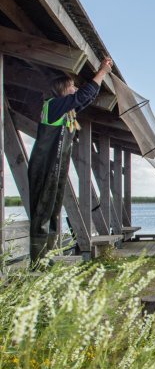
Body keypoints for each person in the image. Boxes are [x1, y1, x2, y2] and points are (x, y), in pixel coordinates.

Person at [28, 57, 114, 264]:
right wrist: (102, 71)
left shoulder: (65, 112)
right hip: (44, 167)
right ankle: (37, 264)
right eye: (71, 86)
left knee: (53, 213)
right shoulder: (54, 106)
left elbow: (85, 98)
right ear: (61, 90)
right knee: (42, 213)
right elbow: (83, 95)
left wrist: (101, 76)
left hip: (56, 169)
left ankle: (46, 260)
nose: (75, 89)